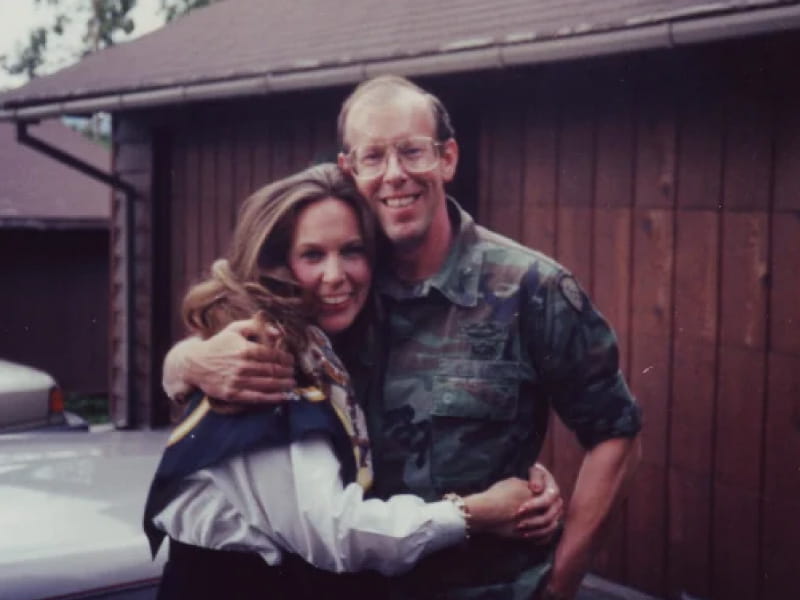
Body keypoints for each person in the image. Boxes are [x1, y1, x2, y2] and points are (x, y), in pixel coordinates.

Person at [163, 75, 642, 600]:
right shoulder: (338, 291)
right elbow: (245, 327)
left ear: (447, 158)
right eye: (373, 157)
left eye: (413, 151)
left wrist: (560, 583)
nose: (395, 174)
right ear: (351, 170)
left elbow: (615, 433)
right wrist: (187, 362)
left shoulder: (531, 289)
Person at [146, 164, 559, 600]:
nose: (335, 275)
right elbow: (336, 534)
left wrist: (510, 467)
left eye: (352, 251)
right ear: (273, 265)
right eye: (312, 255)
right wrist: (478, 512)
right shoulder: (256, 363)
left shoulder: (325, 344)